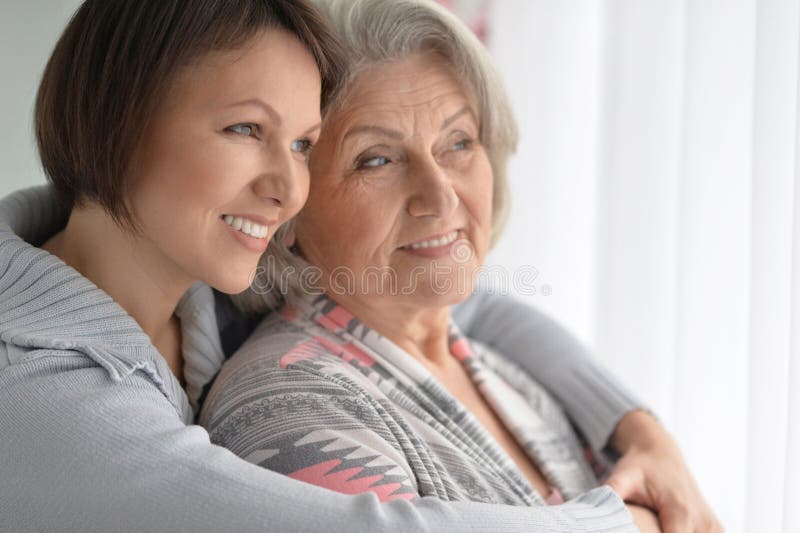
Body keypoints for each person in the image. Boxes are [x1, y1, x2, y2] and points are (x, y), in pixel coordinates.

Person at [0, 0, 718, 531]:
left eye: (304, 145)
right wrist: (625, 520)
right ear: (115, 119)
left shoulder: (204, 286)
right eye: (246, 129)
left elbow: (470, 306)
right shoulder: (33, 390)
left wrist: (641, 430)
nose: (286, 189)